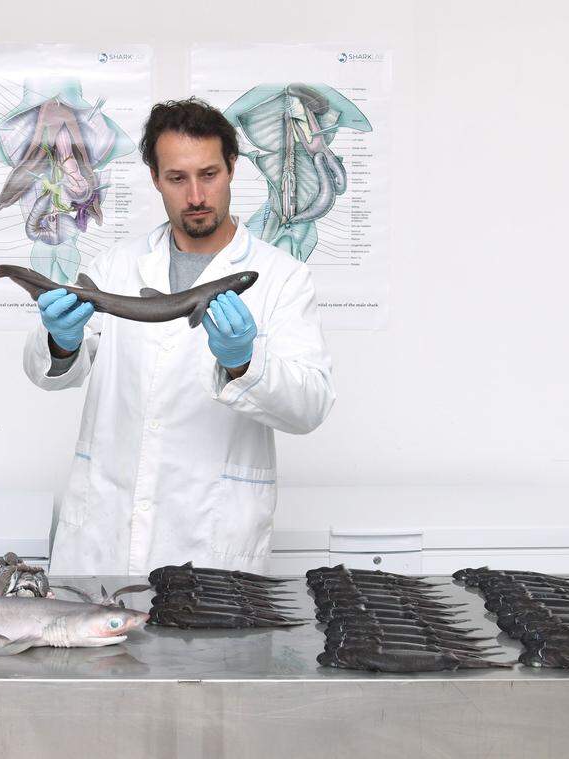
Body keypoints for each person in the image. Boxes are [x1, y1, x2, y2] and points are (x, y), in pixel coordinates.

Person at [21, 98, 335, 576]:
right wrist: (61, 341)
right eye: (177, 178)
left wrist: (244, 363)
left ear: (233, 167)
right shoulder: (116, 267)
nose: (195, 196)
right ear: (154, 178)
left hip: (209, 540)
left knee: (207, 652)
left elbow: (310, 406)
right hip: (103, 534)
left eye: (209, 174)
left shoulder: (283, 278)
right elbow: (53, 374)